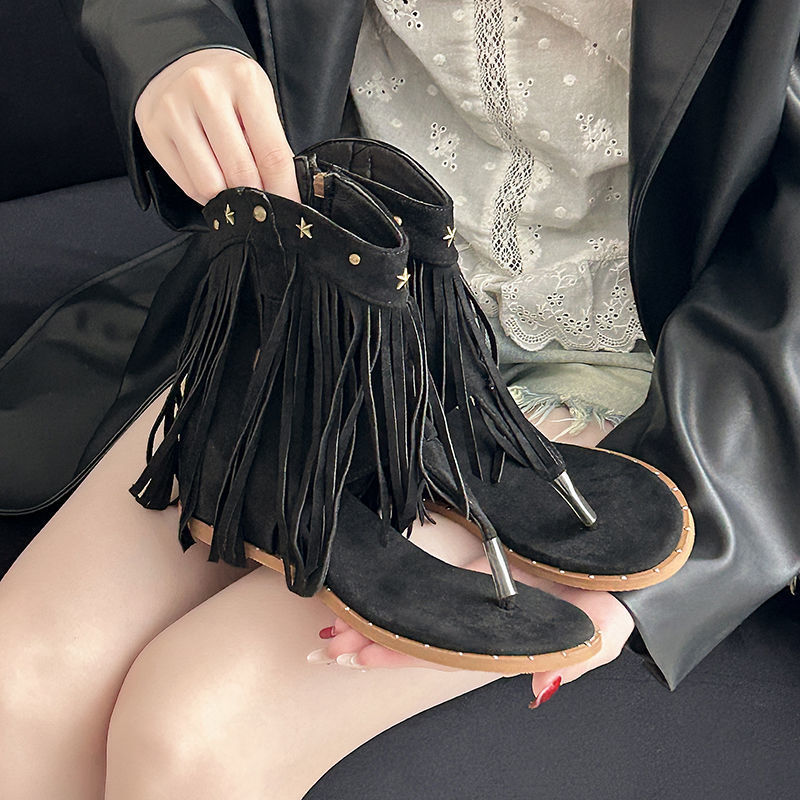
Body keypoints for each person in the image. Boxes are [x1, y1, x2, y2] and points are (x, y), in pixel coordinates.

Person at [1, 0, 799, 797]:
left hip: (648, 376)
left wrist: (675, 535)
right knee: (19, 692)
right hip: (337, 303)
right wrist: (173, 42)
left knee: (193, 733)